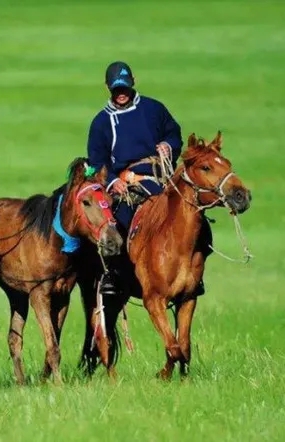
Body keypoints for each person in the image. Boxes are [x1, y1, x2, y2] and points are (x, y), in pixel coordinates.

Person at [86, 61, 211, 296]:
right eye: (116, 90)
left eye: (124, 88)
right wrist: (114, 181)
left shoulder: (154, 109)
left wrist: (168, 145)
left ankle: (196, 267)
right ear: (107, 88)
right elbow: (97, 161)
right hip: (127, 184)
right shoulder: (101, 122)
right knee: (117, 222)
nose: (121, 94)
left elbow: (173, 133)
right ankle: (112, 274)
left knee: (193, 214)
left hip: (162, 176)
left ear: (134, 82)